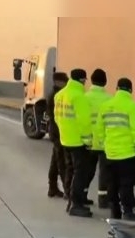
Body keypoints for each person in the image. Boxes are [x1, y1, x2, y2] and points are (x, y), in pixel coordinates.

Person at [95, 77, 135, 221]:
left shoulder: (105, 106)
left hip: (110, 154)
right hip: (127, 155)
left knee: (112, 184)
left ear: (117, 89)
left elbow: (99, 130)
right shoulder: (132, 106)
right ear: (130, 90)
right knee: (126, 184)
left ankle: (114, 212)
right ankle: (128, 212)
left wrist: (105, 145)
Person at [54, 68, 94, 218]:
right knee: (80, 173)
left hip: (65, 139)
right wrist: (88, 141)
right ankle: (76, 204)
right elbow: (84, 122)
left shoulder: (60, 95)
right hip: (78, 142)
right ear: (82, 80)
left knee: (70, 169)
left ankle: (70, 200)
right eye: (85, 80)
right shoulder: (79, 97)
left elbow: (57, 118)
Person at [84, 68, 112, 209]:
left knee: (86, 171)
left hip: (88, 141)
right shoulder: (109, 99)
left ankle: (83, 196)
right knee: (104, 172)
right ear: (105, 82)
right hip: (104, 142)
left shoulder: (85, 97)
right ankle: (103, 200)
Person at [46, 71, 69, 198]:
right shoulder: (56, 96)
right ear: (58, 82)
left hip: (56, 131)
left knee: (55, 161)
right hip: (57, 131)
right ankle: (66, 190)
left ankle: (52, 188)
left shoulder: (55, 94)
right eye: (64, 81)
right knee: (61, 162)